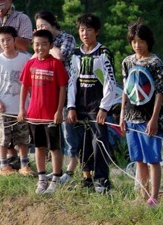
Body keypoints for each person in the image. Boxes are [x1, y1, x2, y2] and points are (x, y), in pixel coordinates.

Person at [67, 14, 118, 193]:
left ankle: (102, 180)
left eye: (89, 30)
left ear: (96, 31)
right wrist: (71, 106)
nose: (85, 33)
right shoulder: (75, 54)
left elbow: (110, 82)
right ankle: (86, 177)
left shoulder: (103, 53)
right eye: (82, 30)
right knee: (82, 143)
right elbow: (72, 81)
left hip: (97, 108)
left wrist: (104, 108)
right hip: (80, 107)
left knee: (99, 143)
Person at [18, 29, 68, 194]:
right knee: (38, 147)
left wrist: (59, 111)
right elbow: (24, 87)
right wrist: (22, 109)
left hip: (51, 116)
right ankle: (42, 178)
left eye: (44, 44)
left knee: (54, 148)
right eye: (37, 44)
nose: (40, 48)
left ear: (51, 45)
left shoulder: (55, 64)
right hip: (34, 115)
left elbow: (62, 87)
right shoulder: (30, 64)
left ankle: (55, 178)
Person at [119, 21, 163, 207]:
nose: (137, 45)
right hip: (131, 117)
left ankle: (154, 196)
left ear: (148, 42)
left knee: (152, 159)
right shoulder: (128, 62)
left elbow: (160, 92)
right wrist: (122, 114)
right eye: (134, 41)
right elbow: (126, 90)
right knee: (138, 159)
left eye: (141, 41)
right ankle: (143, 194)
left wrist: (154, 119)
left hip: (149, 118)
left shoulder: (155, 63)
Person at [35, 11, 78, 181]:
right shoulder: (41, 44)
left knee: (68, 131)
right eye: (37, 27)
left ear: (53, 24)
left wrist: (48, 43)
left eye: (43, 26)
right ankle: (55, 168)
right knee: (52, 134)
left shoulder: (67, 39)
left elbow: (60, 57)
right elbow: (35, 59)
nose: (40, 29)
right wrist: (40, 43)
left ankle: (71, 167)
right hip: (46, 92)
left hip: (65, 90)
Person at [0, 26, 31, 176]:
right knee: (2, 136)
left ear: (14, 40)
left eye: (8, 39)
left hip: (21, 107)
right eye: (2, 40)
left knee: (23, 137)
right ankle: (3, 165)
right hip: (3, 106)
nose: (6, 43)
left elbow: (30, 82)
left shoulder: (25, 58)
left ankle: (24, 164)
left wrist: (28, 103)